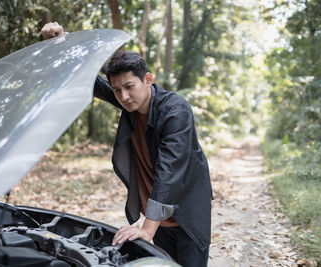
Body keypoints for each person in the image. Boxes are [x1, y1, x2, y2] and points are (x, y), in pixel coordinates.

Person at [41, 22, 213, 266]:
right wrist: (61, 43)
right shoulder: (129, 101)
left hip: (186, 212)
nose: (123, 97)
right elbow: (89, 77)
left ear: (148, 80)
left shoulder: (175, 111)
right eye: (117, 89)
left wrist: (147, 229)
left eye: (129, 87)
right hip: (160, 212)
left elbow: (169, 172)